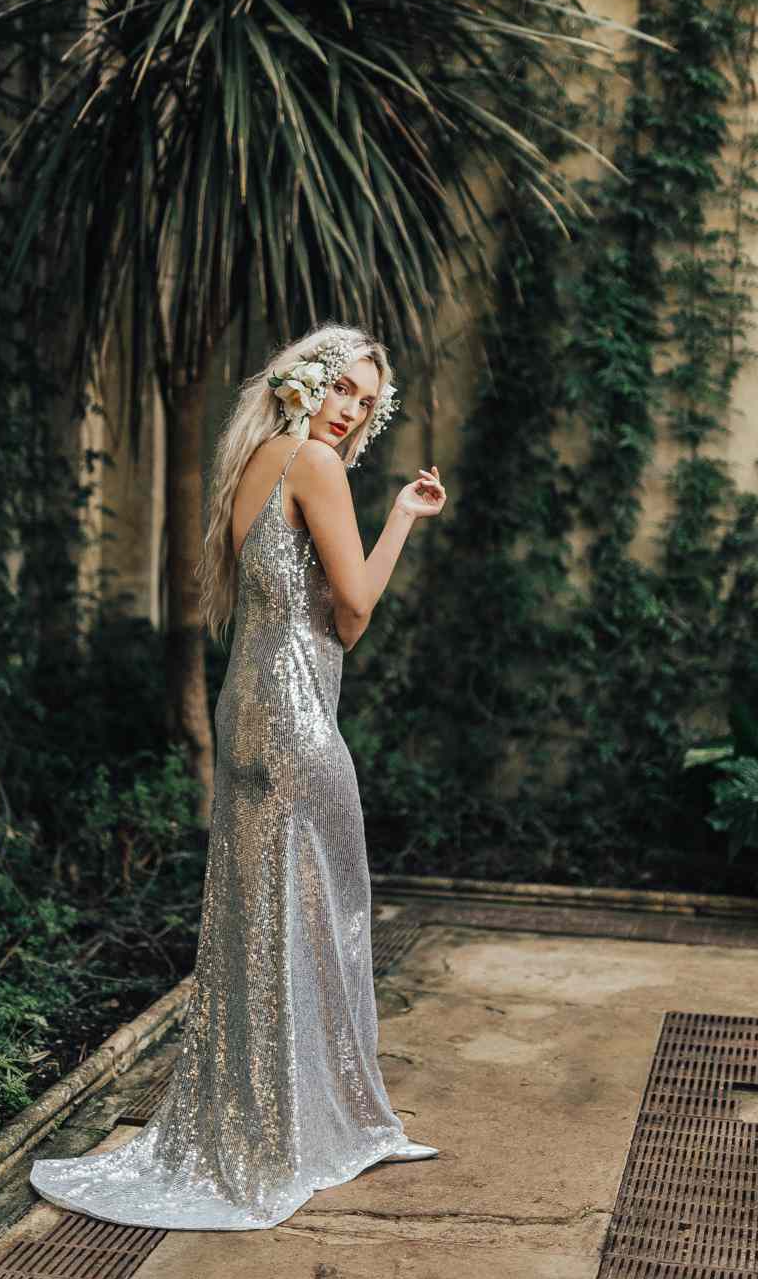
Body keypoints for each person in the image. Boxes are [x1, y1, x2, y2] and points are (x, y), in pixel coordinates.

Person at [29, 322, 447, 1230]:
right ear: (310, 381)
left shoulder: (257, 455)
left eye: (369, 405)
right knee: (325, 915)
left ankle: (292, 1122)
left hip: (247, 716)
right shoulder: (318, 469)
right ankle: (319, 1129)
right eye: (345, 389)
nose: (353, 413)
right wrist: (402, 524)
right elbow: (352, 616)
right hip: (296, 726)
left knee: (260, 925)